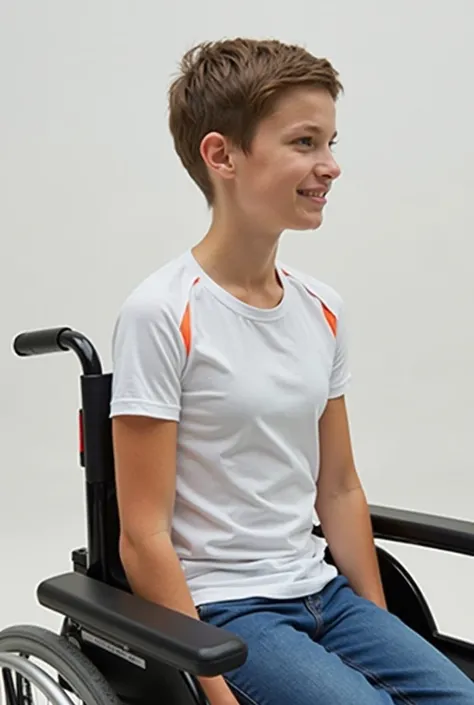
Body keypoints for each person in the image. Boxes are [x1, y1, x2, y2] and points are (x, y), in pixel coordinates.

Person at [109, 38, 474, 705]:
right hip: (225, 608)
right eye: (305, 142)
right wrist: (210, 685)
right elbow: (143, 535)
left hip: (322, 591)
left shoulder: (321, 309)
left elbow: (338, 487)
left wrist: (380, 626)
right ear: (222, 155)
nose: (330, 165)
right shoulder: (162, 312)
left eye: (331, 142)